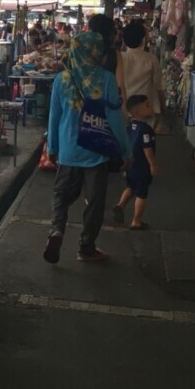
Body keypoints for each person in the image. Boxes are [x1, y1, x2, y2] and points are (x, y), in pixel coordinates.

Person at [44, 31, 131, 264]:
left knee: (61, 195)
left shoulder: (61, 79)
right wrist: (125, 151)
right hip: (96, 149)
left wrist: (51, 147)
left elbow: (53, 117)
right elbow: (115, 119)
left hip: (68, 150)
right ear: (96, 53)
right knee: (94, 201)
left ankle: (56, 229)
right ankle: (86, 247)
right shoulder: (106, 79)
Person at [112, 94, 158, 230]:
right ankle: (136, 221)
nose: (151, 108)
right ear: (138, 112)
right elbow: (147, 149)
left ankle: (120, 205)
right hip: (141, 166)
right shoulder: (146, 129)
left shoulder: (130, 126)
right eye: (147, 106)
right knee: (142, 193)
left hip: (130, 165)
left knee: (131, 187)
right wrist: (153, 165)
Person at [120, 20, 164, 124]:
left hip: (124, 109)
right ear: (143, 39)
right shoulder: (151, 59)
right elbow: (159, 87)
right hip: (145, 111)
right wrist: (163, 108)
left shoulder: (120, 58)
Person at [87, 13, 127, 109]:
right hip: (107, 102)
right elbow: (120, 84)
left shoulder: (81, 52)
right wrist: (124, 110)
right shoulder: (114, 54)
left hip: (85, 102)